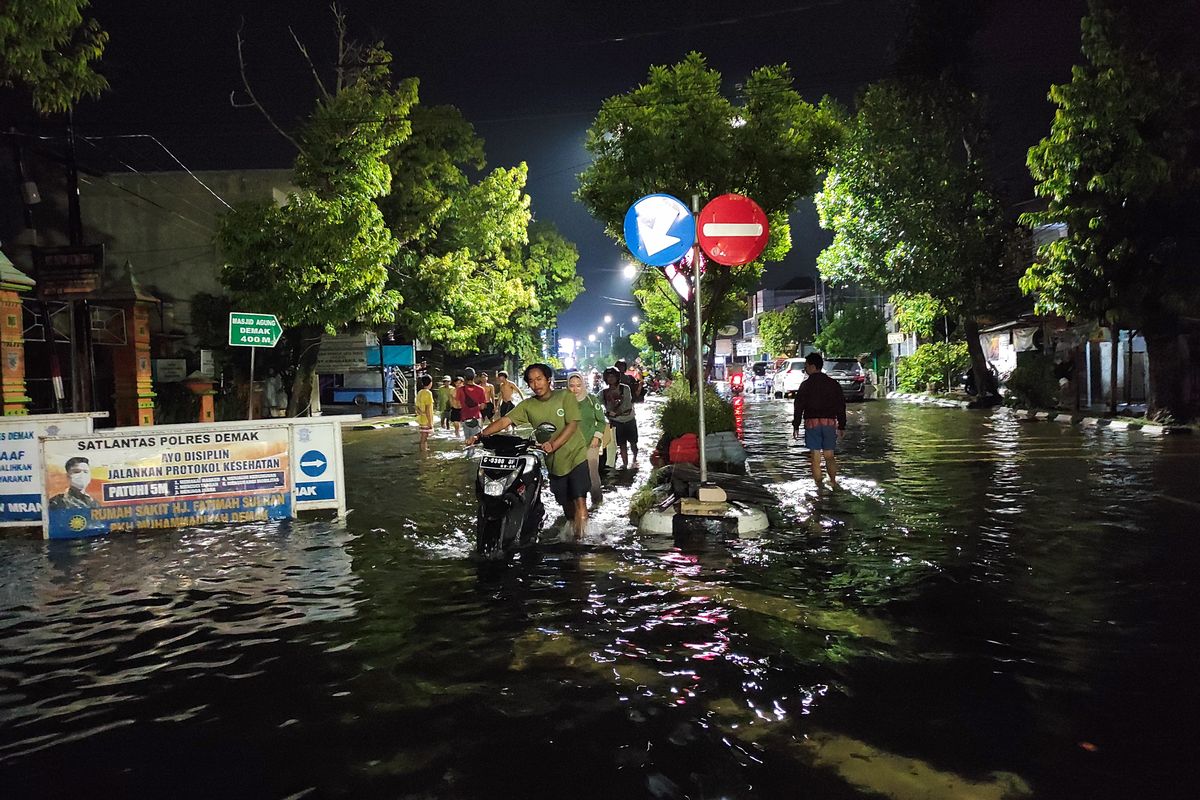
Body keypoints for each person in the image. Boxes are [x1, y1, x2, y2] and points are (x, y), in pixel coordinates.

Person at [467, 363, 590, 541]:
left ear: (548, 380)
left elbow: (572, 425)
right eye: (531, 381)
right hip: (554, 462)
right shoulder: (528, 405)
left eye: (539, 379)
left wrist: (553, 444)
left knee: (580, 500)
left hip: (576, 455)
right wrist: (479, 435)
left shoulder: (565, 396)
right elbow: (504, 421)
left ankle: (580, 546)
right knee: (566, 504)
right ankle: (574, 530)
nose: (536, 384)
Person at [791, 352, 847, 490]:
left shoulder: (806, 385)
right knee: (829, 455)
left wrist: (796, 425)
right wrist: (842, 425)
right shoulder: (833, 384)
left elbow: (799, 406)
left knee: (815, 456)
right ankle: (833, 482)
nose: (805, 369)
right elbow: (841, 405)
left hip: (812, 424)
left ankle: (819, 486)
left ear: (812, 366)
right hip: (829, 423)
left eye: (806, 366)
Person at [568, 371, 607, 505]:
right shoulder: (563, 402)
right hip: (570, 446)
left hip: (591, 443)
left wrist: (596, 437)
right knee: (574, 477)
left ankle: (597, 502)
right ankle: (579, 506)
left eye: (578, 385)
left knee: (592, 475)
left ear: (583, 385)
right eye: (572, 385)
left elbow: (601, 421)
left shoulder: (591, 400)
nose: (575, 389)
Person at [602, 367, 638, 469]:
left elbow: (627, 405)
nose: (611, 379)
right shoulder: (603, 393)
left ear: (617, 377)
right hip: (616, 422)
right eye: (608, 377)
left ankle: (635, 458)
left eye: (613, 376)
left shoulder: (625, 388)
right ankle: (625, 463)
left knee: (633, 443)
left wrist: (616, 413)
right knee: (621, 444)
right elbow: (597, 403)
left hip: (629, 420)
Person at [456, 367, 488, 440]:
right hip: (476, 418)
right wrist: (476, 407)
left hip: (465, 418)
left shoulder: (460, 390)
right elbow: (483, 406)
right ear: (475, 376)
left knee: (467, 440)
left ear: (464, 377)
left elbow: (458, 405)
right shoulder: (481, 389)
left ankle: (468, 451)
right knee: (475, 441)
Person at [415, 374, 435, 453]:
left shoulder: (420, 392)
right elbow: (428, 408)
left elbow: (416, 406)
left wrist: (420, 413)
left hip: (421, 418)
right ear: (430, 383)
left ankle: (424, 449)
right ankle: (423, 452)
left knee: (424, 437)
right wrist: (430, 422)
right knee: (424, 438)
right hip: (426, 419)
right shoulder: (428, 393)